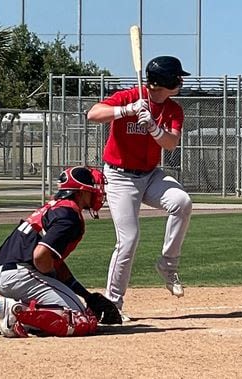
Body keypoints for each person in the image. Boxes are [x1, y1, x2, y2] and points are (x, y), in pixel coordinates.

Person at [87, 56, 193, 319]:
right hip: (121, 177)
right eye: (177, 78)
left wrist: (155, 128)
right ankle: (112, 306)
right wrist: (127, 110)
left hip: (150, 175)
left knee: (182, 202)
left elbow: (170, 143)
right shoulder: (129, 96)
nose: (181, 82)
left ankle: (168, 265)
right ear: (166, 81)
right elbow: (93, 114)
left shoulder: (173, 109)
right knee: (128, 240)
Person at [0, 166, 122, 338]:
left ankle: (24, 316)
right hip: (19, 275)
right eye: (93, 188)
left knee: (66, 314)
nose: (98, 193)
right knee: (80, 320)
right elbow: (41, 257)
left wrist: (86, 295)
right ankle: (17, 311)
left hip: (3, 273)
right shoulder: (68, 216)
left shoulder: (57, 208)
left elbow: (54, 262)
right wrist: (52, 278)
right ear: (80, 192)